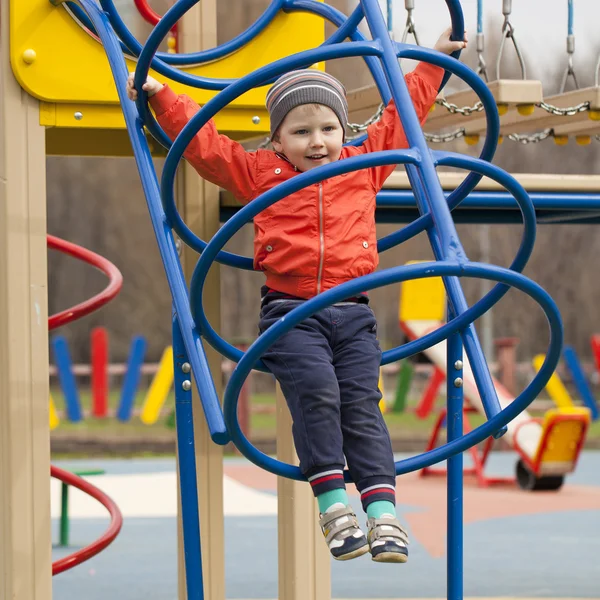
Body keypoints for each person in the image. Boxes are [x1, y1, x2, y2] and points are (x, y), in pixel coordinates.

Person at [127, 28, 466, 563]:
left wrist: (433, 67)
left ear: (343, 130)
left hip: (353, 313)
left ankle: (383, 515)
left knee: (361, 404)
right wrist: (162, 98)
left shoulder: (363, 165)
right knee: (316, 393)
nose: (318, 142)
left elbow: (402, 117)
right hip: (291, 314)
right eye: (301, 131)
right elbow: (206, 147)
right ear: (276, 141)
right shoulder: (261, 174)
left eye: (328, 128)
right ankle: (334, 507)